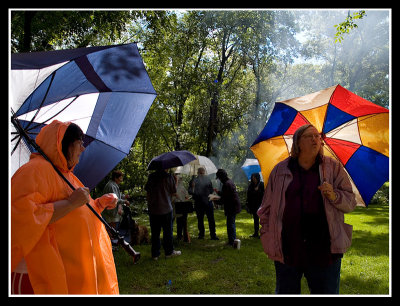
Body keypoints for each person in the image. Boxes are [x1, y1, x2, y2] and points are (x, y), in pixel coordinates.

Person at [11, 120, 119, 294]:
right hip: (34, 278)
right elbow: (20, 218)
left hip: (67, 272)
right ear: (65, 144)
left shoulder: (67, 176)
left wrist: (98, 204)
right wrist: (70, 203)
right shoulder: (33, 171)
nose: (83, 149)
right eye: (79, 143)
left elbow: (78, 211)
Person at [257, 124, 357, 294]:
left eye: (317, 136)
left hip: (324, 250)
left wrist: (333, 195)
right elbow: (266, 208)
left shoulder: (333, 168)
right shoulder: (280, 170)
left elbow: (350, 202)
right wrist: (267, 235)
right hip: (288, 249)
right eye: (309, 136)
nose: (315, 139)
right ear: (297, 143)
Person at [145, 167, 181, 260]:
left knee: (155, 233)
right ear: (166, 167)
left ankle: (155, 255)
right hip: (166, 209)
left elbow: (147, 192)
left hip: (153, 209)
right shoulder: (169, 177)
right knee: (168, 232)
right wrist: (176, 181)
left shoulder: (151, 177)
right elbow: (173, 192)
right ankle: (169, 253)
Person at [102, 170, 130, 249]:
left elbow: (117, 196)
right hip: (110, 211)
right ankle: (109, 246)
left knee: (112, 229)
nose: (121, 179)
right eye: (120, 177)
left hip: (111, 211)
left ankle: (110, 244)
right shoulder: (111, 186)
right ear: (115, 178)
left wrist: (124, 197)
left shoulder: (113, 185)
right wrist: (125, 201)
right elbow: (115, 199)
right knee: (111, 229)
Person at [188, 167, 219, 240]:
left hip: (208, 202)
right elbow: (190, 192)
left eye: (203, 173)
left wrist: (213, 199)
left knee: (211, 220)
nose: (202, 174)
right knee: (200, 220)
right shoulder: (193, 180)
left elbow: (211, 191)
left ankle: (213, 235)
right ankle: (201, 234)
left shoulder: (207, 180)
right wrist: (192, 187)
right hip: (199, 203)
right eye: (200, 173)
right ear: (197, 173)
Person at [215, 169, 241, 246]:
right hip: (233, 205)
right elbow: (225, 194)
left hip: (232, 206)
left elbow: (224, 198)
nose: (219, 180)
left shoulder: (226, 184)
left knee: (230, 225)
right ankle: (231, 240)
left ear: (221, 177)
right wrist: (218, 193)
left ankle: (232, 241)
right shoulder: (229, 182)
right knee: (231, 224)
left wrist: (215, 201)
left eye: (219, 178)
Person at [172, 174, 191, 243]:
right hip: (178, 206)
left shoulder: (179, 188)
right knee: (180, 222)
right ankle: (179, 236)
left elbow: (187, 196)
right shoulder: (178, 188)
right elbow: (187, 197)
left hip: (178, 206)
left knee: (179, 222)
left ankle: (180, 236)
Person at [246, 172, 264, 238]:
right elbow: (249, 194)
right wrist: (254, 191)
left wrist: (258, 191)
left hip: (260, 204)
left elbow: (264, 195)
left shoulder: (261, 185)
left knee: (262, 220)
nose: (254, 179)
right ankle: (256, 233)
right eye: (253, 178)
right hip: (253, 205)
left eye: (255, 178)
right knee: (255, 219)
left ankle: (263, 233)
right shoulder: (251, 185)